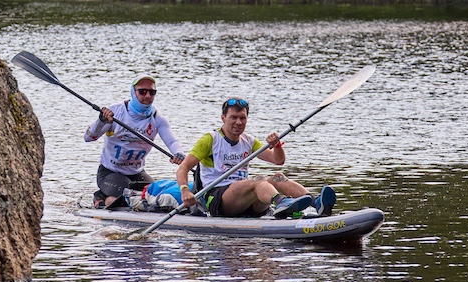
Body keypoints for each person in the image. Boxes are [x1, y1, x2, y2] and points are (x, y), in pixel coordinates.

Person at [176, 97, 336, 219]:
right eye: (233, 117)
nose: (238, 122)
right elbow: (183, 167)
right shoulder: (210, 140)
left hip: (245, 199)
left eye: (242, 118)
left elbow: (278, 161)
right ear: (223, 118)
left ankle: (316, 203)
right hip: (217, 198)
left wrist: (277, 145)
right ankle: (282, 203)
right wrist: (184, 191)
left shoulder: (248, 140)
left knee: (277, 177)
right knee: (258, 181)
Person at [85, 74, 185, 207]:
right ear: (133, 92)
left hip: (137, 173)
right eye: (142, 92)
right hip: (110, 172)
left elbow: (172, 142)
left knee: (155, 197)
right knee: (129, 198)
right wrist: (101, 121)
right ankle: (102, 199)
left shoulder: (157, 118)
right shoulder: (115, 112)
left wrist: (179, 153)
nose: (147, 96)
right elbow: (88, 138)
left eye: (152, 92)